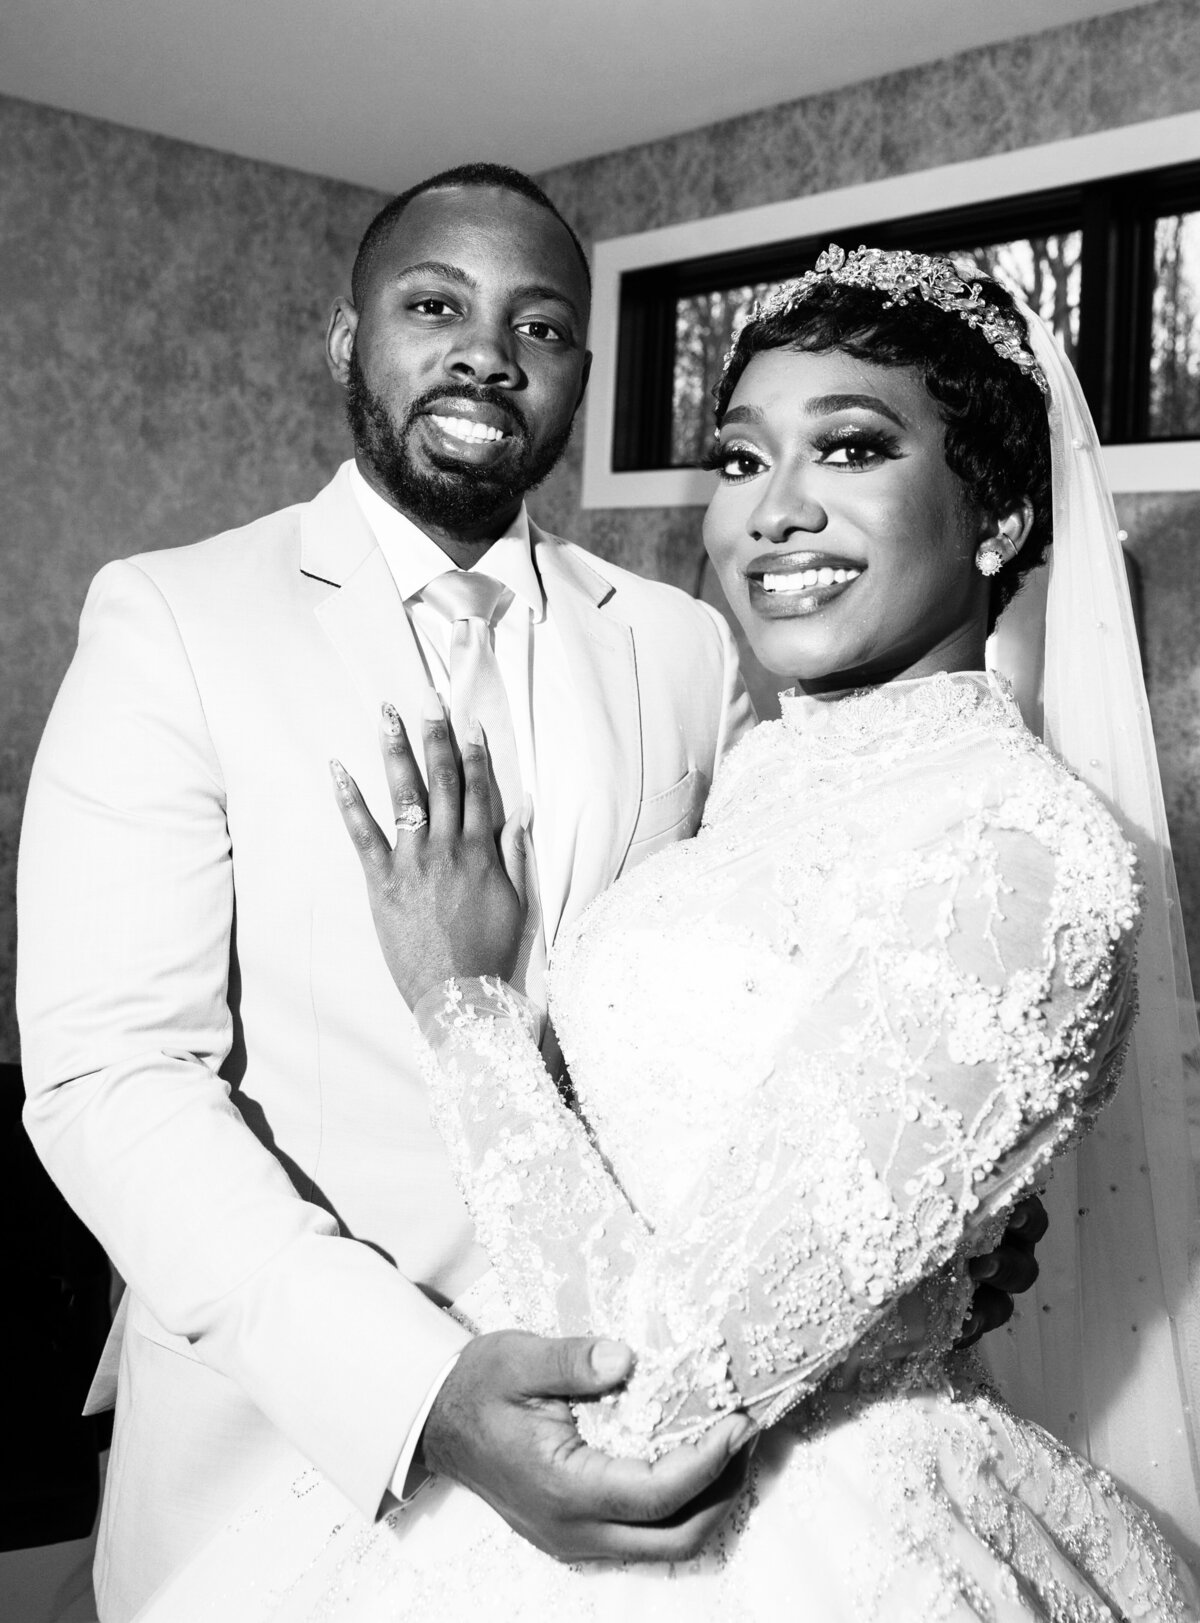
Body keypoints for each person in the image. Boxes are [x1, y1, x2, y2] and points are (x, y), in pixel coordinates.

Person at [15, 170, 1032, 1620]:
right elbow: (109, 1079)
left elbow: (785, 981)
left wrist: (933, 1220)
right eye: (435, 305)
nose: (488, 351)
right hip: (295, 1442)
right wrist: (416, 1392)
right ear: (344, 341)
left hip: (661, 1443)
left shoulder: (685, 648)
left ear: (577, 379)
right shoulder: (175, 620)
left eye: (540, 326)